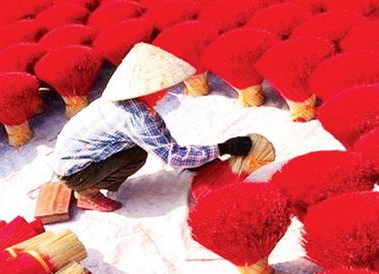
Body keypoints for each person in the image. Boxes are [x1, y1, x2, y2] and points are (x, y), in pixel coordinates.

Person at [51, 43, 253, 212]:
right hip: (75, 173)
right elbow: (172, 156)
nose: (165, 91)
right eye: (162, 87)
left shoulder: (117, 100)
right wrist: (223, 148)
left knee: (141, 148)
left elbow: (164, 143)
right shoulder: (137, 117)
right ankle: (86, 194)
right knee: (137, 155)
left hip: (71, 157)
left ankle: (89, 183)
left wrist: (197, 158)